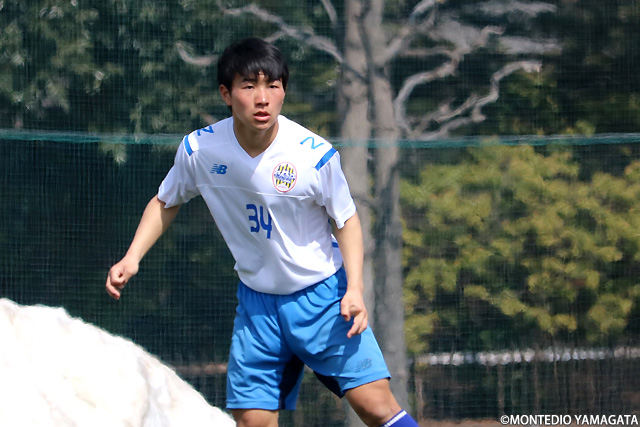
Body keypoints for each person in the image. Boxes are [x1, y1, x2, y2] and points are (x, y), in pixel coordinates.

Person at [105, 37, 419, 427]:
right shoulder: (200, 150)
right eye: (249, 86)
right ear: (226, 93)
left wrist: (355, 288)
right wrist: (132, 257)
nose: (262, 98)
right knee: (253, 421)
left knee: (376, 407)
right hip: (258, 307)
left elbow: (347, 220)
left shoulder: (313, 155)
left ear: (284, 90)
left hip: (323, 299)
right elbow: (166, 201)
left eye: (273, 85)